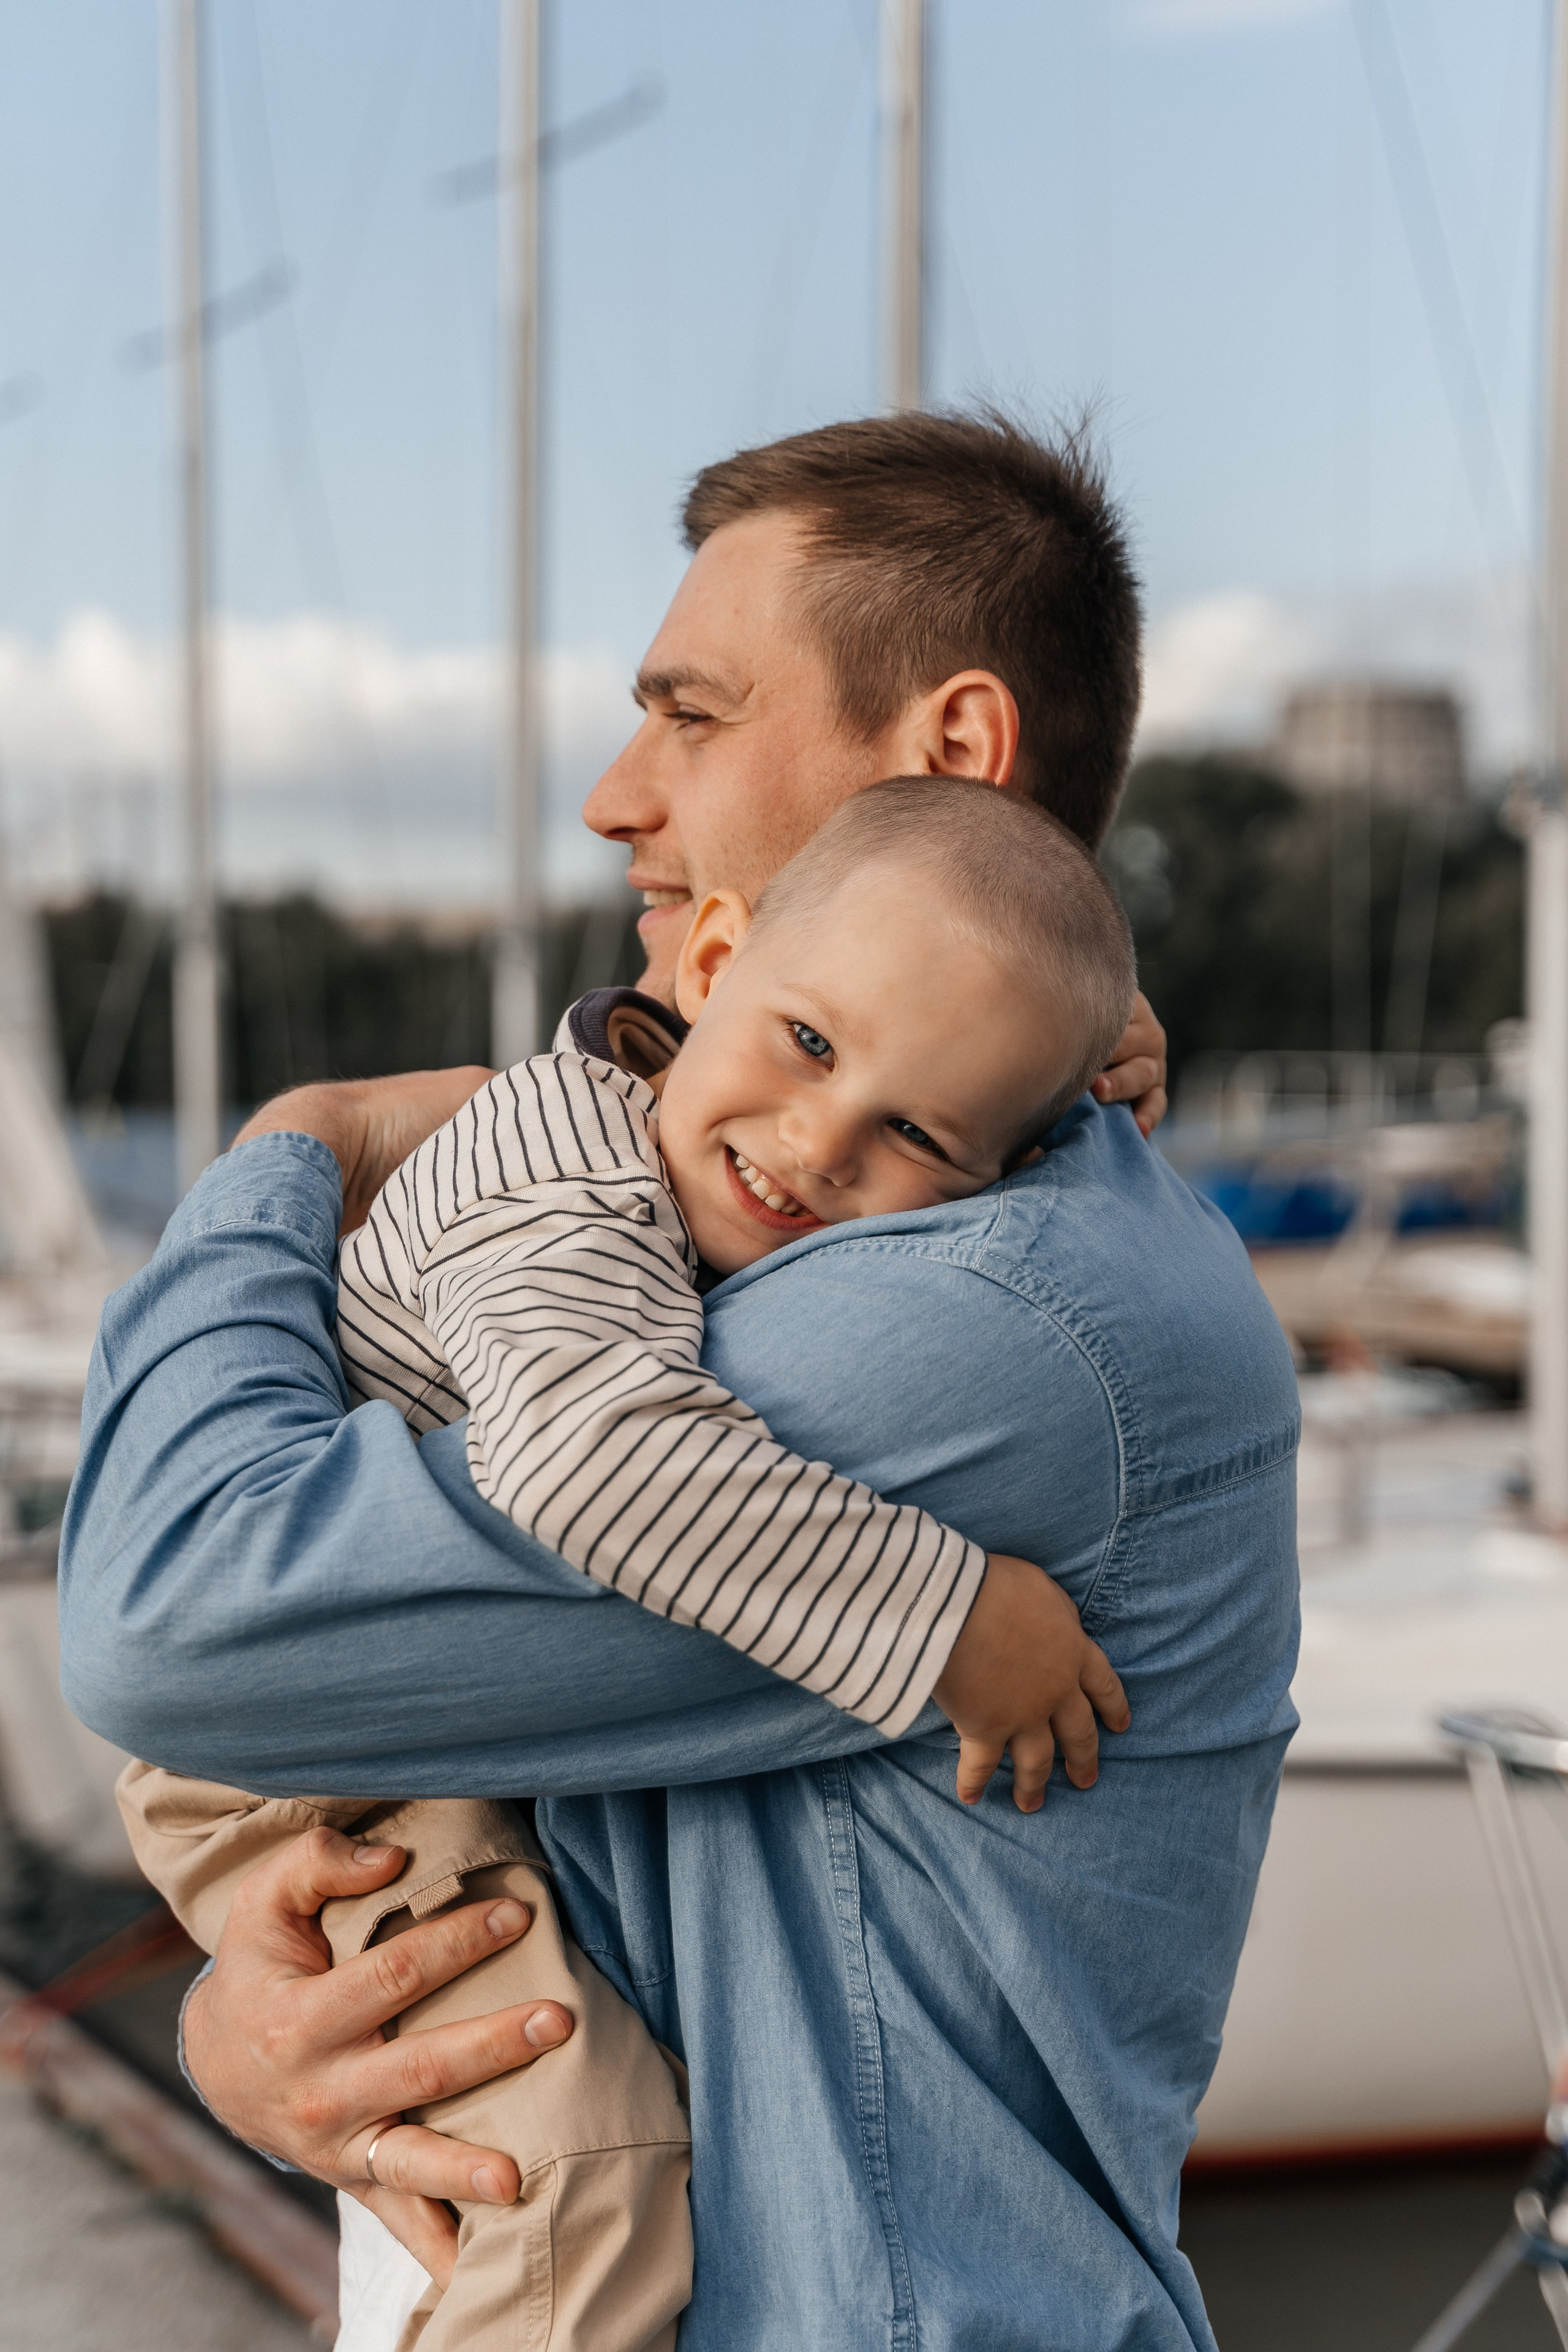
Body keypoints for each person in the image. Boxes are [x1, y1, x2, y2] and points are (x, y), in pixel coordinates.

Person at [60, 411, 1300, 2350]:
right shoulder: (773, 1195)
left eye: (694, 716)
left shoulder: (989, 1313)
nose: (616, 796)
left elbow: (167, 1621)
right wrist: (261, 2014)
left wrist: (293, 1148)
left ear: (953, 753)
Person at [117, 782, 1136, 2352]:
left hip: (343, 1740)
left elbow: (931, 987)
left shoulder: (668, 1123)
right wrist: (944, 1614)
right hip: (300, 1765)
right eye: (804, 1046)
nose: (812, 1145)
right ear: (710, 966)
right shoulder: (564, 1196)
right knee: (570, 2171)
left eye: (918, 1132)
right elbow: (585, 1457)